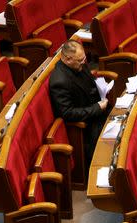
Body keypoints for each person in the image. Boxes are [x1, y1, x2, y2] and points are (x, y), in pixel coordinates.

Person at [48, 40, 112, 172]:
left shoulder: (78, 64)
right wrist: (97, 108)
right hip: (85, 126)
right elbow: (67, 113)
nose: (84, 62)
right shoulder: (59, 81)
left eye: (84, 58)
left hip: (96, 109)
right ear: (67, 59)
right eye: (80, 60)